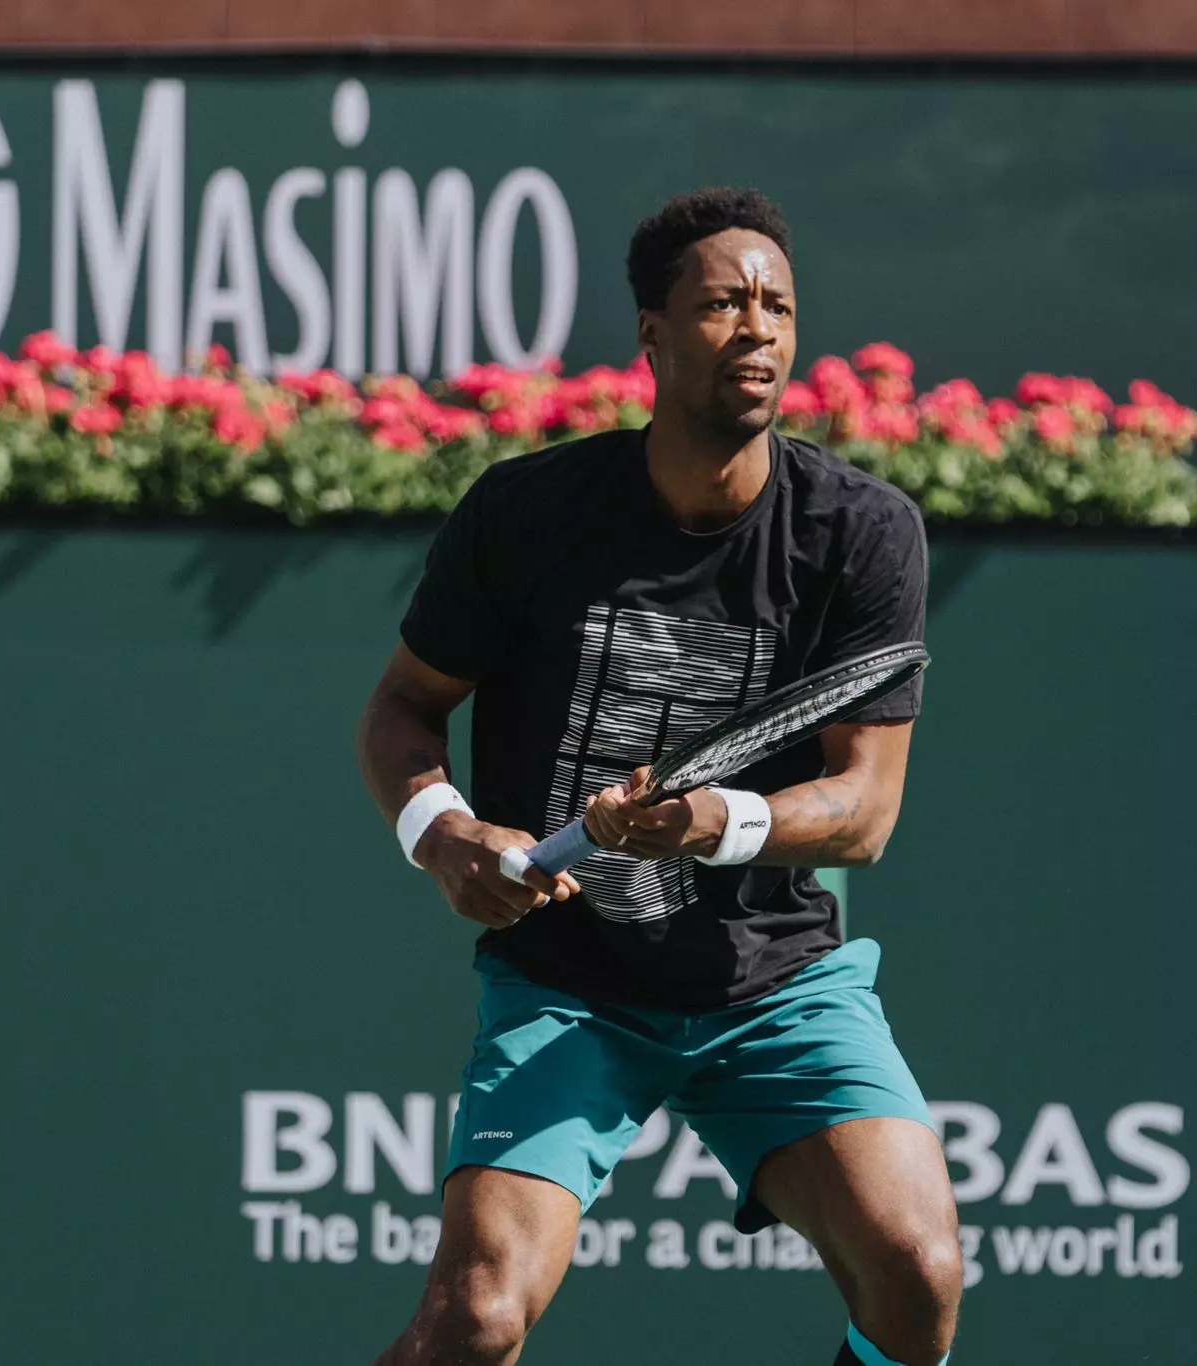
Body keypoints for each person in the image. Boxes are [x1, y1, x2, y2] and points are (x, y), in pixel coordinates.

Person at [357, 186, 959, 1366]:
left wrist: (703, 824)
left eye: (777, 306)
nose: (757, 330)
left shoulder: (859, 530)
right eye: (723, 303)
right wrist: (442, 832)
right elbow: (401, 708)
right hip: (569, 985)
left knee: (916, 1275)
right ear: (652, 334)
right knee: (473, 1322)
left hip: (774, 984)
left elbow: (863, 809)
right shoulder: (526, 513)